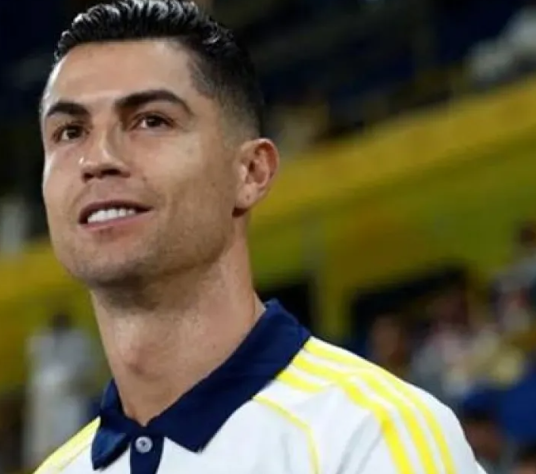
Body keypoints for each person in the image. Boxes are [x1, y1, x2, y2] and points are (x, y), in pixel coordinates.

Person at [34, 1, 485, 473]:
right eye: (70, 132)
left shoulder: (371, 435)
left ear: (250, 172)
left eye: (151, 121)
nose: (98, 158)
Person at [25, 313, 97, 468]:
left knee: (72, 442)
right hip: (46, 400)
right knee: (46, 444)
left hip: (71, 397)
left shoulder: (78, 339)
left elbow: (88, 369)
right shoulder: (41, 340)